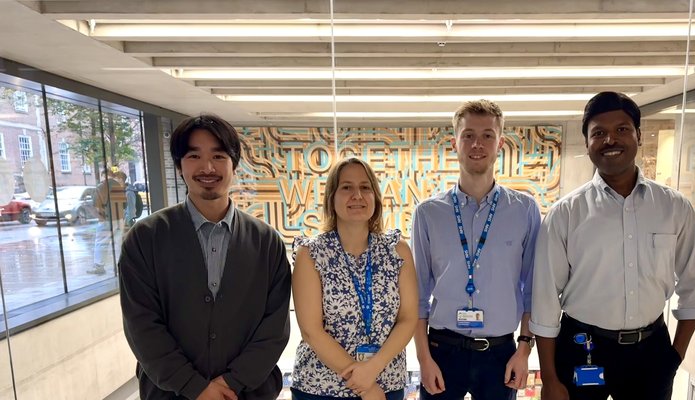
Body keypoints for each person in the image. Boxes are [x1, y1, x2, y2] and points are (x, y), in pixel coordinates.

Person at [530, 92, 695, 400]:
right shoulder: (566, 213)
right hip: (581, 345)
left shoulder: (674, 207)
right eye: (598, 133)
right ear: (587, 144)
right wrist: (549, 377)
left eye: (622, 130)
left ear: (639, 135)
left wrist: (674, 357)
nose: (610, 140)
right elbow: (545, 299)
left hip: (651, 348)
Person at [118, 114, 291, 400]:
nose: (207, 167)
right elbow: (142, 326)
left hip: (248, 393)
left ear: (234, 164)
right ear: (179, 165)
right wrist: (195, 387)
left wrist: (232, 382)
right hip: (170, 393)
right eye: (194, 155)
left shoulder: (265, 240)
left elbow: (275, 326)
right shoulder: (145, 238)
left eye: (219, 156)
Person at [412, 99, 541, 400]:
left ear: (500, 144)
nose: (477, 144)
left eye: (487, 135)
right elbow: (417, 296)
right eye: (468, 135)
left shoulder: (524, 211)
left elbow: (534, 289)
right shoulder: (428, 213)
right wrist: (423, 359)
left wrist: (523, 351)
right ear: (454, 142)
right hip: (442, 352)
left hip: (500, 353)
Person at [291, 157, 418, 400]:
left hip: (386, 382)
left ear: (376, 197)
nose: (357, 195)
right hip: (322, 388)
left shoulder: (396, 250)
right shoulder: (311, 253)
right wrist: (366, 387)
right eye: (346, 187)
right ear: (332, 198)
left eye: (365, 187)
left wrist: (373, 369)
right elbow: (311, 330)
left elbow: (408, 318)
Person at [88, 167, 125, 275]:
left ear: (104, 175)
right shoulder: (118, 185)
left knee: (101, 242)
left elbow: (97, 206)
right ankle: (120, 265)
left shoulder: (101, 187)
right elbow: (124, 203)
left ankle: (99, 266)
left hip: (107, 219)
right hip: (119, 218)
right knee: (118, 242)